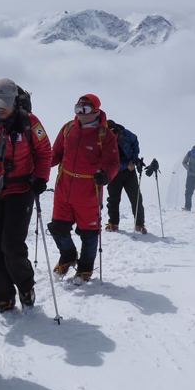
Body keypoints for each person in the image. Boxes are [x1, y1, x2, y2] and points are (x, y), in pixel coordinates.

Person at [0, 78, 52, 313]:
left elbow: (45, 151)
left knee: (11, 245)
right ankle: (3, 296)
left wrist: (41, 178)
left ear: (15, 102)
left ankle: (25, 286)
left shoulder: (29, 123)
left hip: (21, 191)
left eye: (4, 103)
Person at [48, 94, 120, 285]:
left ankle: (85, 268)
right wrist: (39, 166)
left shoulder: (105, 134)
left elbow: (113, 161)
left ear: (96, 111)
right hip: (64, 187)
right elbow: (55, 154)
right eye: (77, 109)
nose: (80, 114)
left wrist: (105, 174)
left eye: (85, 110)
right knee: (58, 227)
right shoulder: (68, 129)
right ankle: (68, 256)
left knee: (89, 233)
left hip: (89, 190)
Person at [105, 120, 147, 234]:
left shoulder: (126, 134)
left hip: (130, 171)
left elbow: (135, 142)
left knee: (136, 197)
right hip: (114, 172)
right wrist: (127, 165)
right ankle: (113, 223)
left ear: (116, 131)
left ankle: (139, 224)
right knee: (113, 199)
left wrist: (133, 160)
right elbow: (106, 160)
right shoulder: (103, 140)